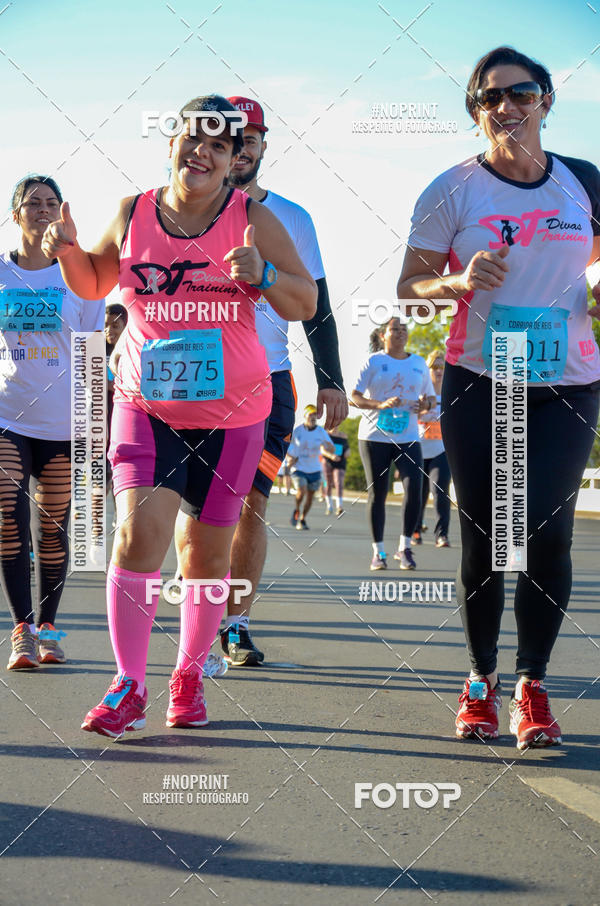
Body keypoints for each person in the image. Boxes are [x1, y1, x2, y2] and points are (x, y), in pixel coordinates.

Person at [42, 95, 316, 736]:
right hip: (146, 405)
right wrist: (66, 248)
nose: (204, 152)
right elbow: (93, 283)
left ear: (233, 160)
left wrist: (266, 271)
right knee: (138, 537)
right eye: (194, 139)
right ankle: (128, 684)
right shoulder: (133, 212)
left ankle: (187, 676)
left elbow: (304, 302)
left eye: (219, 145)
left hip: (236, 415)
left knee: (205, 558)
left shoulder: (254, 218)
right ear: (171, 143)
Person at [397, 46, 600, 749]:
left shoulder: (584, 182)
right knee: (488, 534)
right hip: (480, 378)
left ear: (545, 99)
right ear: (476, 111)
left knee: (546, 528)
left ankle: (532, 684)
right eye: (489, 98)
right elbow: (410, 286)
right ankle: (479, 680)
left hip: (567, 383)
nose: (506, 107)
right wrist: (456, 282)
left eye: (520, 93)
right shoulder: (451, 189)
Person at [216, 96, 347, 666]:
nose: (241, 147)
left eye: (251, 137)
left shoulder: (294, 218)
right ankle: (198, 615)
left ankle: (236, 625)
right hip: (192, 384)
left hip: (267, 381)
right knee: (195, 509)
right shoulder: (176, 209)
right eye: (229, 136)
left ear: (264, 147)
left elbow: (316, 306)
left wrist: (331, 380)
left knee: (251, 506)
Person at [0, 175, 105, 669]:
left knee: (52, 526)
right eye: (33, 203)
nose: (44, 210)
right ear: (16, 213)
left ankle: (49, 627)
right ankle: (22, 628)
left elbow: (92, 352)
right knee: (6, 513)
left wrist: (95, 429)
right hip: (8, 416)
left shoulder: (77, 277)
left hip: (63, 423)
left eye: (52, 203)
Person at [351, 319, 435, 571]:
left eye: (403, 329)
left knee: (415, 489)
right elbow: (353, 396)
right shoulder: (373, 361)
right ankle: (378, 552)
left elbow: (430, 396)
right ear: (383, 335)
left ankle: (405, 547)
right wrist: (379, 405)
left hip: (408, 437)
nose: (400, 332)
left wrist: (426, 405)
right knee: (378, 493)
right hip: (374, 436)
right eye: (394, 329)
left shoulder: (419, 363)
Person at [414, 349, 451, 548]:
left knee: (440, 491)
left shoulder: (450, 391)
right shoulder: (420, 392)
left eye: (442, 367)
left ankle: (441, 535)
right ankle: (416, 529)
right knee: (418, 493)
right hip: (419, 449)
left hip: (441, 450)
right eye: (434, 367)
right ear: (427, 370)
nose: (439, 371)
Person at [288, 404, 334, 529]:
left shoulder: (320, 431)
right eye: (310, 415)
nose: (313, 417)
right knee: (301, 492)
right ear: (305, 416)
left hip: (315, 469)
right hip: (299, 468)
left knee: (310, 497)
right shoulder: (298, 431)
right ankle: (297, 510)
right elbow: (288, 445)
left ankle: (302, 519)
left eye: (315, 415)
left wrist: (329, 447)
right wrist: (290, 457)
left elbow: (331, 446)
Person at [321, 429, 350, 515]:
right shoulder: (325, 435)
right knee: (327, 483)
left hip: (340, 462)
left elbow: (346, 447)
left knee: (339, 482)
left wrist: (348, 452)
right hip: (328, 462)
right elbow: (322, 449)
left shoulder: (343, 435)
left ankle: (339, 507)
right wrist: (331, 456)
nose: (335, 426)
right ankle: (329, 506)